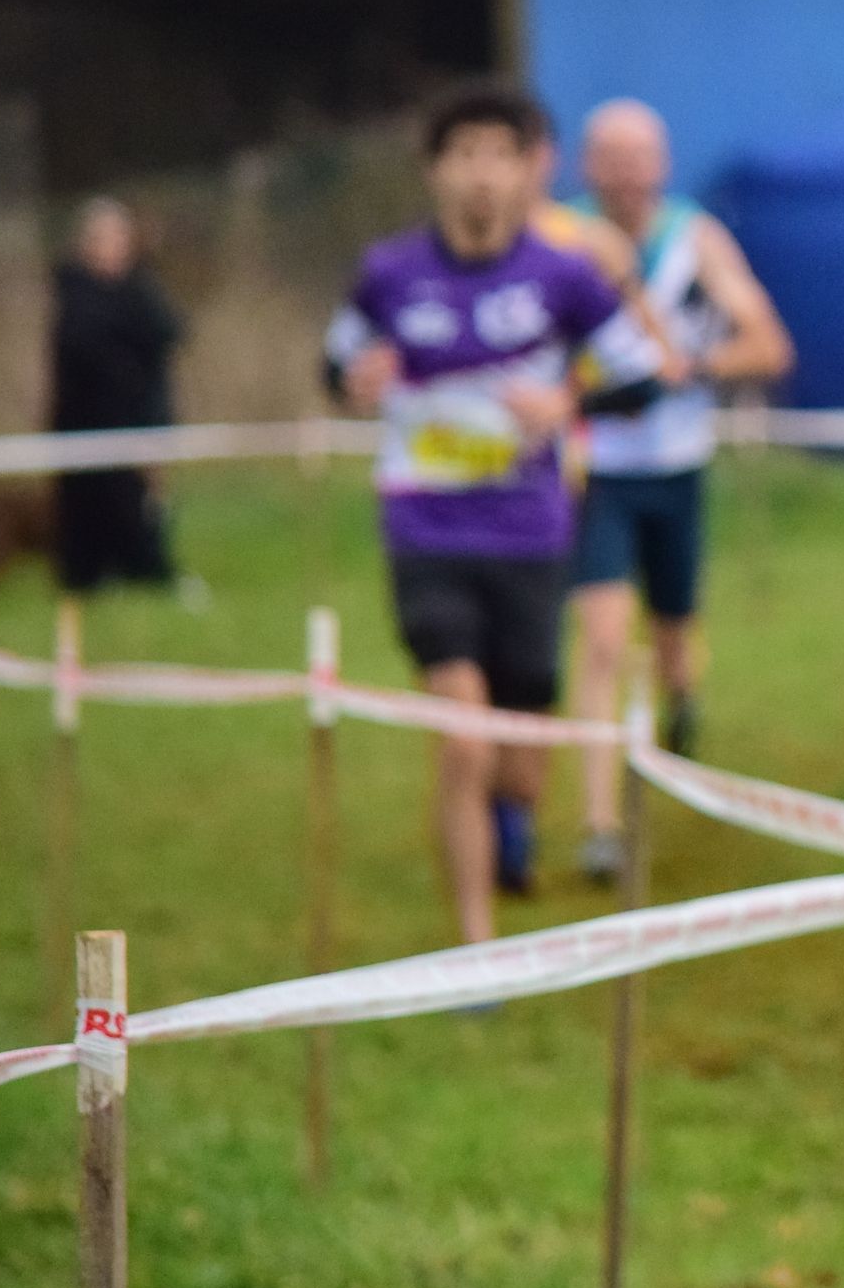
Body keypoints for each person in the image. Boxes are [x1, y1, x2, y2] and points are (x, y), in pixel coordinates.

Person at [327, 86, 664, 944]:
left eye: (498, 155)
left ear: (526, 173)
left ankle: (512, 819)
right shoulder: (389, 274)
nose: (481, 174)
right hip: (426, 532)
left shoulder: (563, 276)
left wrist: (566, 403)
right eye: (464, 154)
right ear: (434, 171)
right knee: (464, 741)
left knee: (518, 754)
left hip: (531, 535)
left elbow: (642, 377)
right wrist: (354, 379)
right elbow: (335, 363)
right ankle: (477, 947)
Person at [565, 98, 793, 883]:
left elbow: (768, 346)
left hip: (677, 469)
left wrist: (687, 372)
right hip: (596, 471)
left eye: (640, 160)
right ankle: (599, 826)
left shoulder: (696, 241)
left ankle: (682, 701)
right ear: (587, 167)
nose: (626, 176)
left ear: (662, 166)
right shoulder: (565, 237)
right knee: (602, 640)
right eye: (611, 160)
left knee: (673, 636)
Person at [48, 197, 185, 594]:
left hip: (141, 418)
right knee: (95, 502)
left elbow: (169, 333)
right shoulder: (76, 296)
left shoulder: (139, 290)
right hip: (91, 421)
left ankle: (146, 569)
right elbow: (87, 358)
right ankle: (92, 574)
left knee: (146, 503)